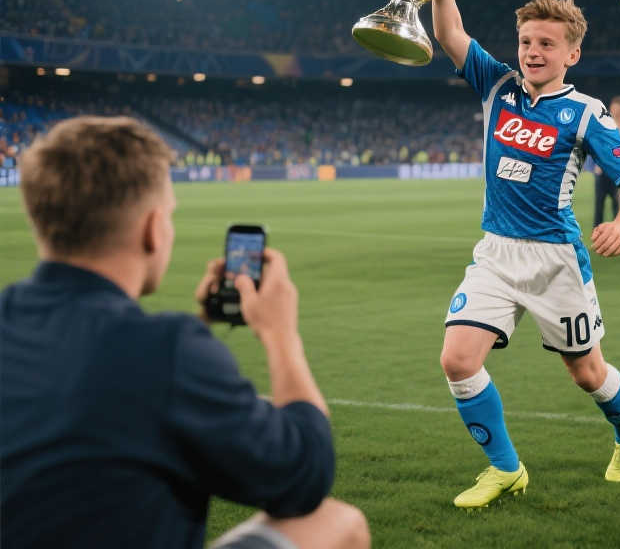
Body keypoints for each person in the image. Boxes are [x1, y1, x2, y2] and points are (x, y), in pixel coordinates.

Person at [0, 116, 369, 549]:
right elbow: (305, 475)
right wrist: (281, 335)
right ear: (153, 229)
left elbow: (98, 373)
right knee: (338, 523)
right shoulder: (168, 351)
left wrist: (202, 322)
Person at [380, 0, 620, 508]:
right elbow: (450, 34)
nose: (533, 52)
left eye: (547, 44)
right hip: (496, 254)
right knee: (457, 360)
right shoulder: (497, 87)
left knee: (587, 373)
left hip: (556, 261)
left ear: (572, 53)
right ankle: (506, 469)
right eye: (526, 41)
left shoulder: (586, 112)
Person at [593, 96, 620, 229]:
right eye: (614, 109)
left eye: (619, 109)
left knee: (619, 205)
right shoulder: (602, 124)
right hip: (602, 171)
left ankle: (619, 233)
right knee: (599, 205)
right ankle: (597, 234)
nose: (615, 112)